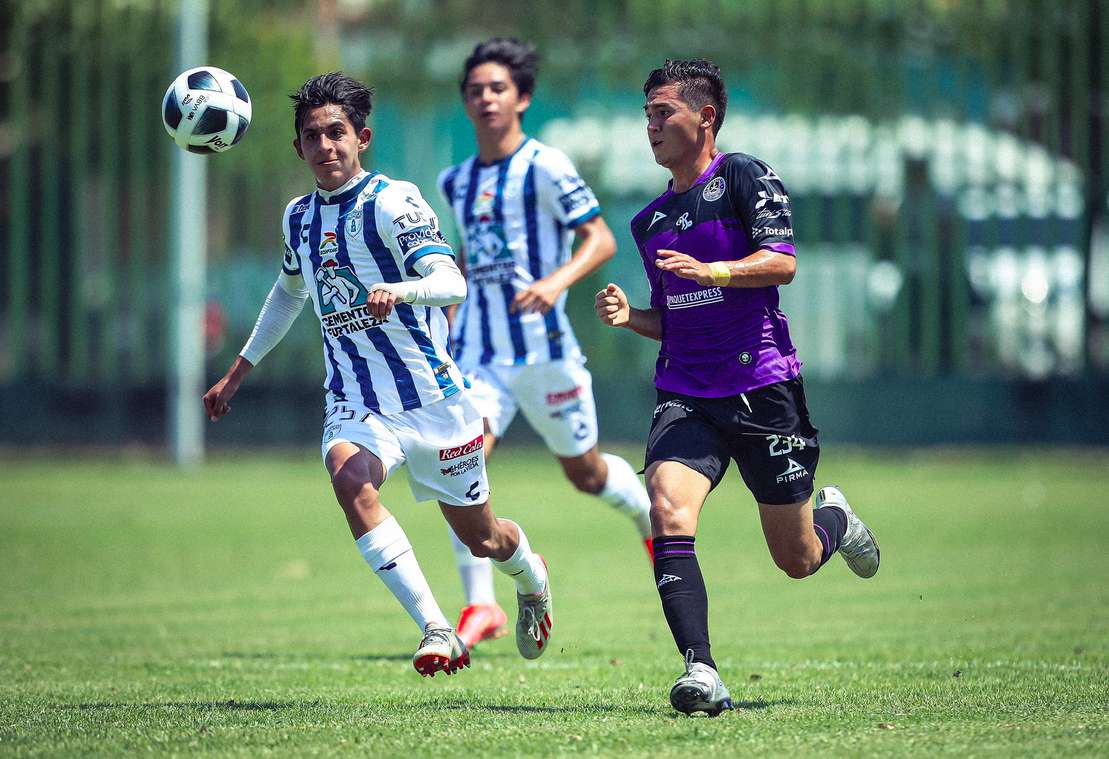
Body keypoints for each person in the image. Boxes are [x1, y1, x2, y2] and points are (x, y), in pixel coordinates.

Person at [203, 72, 555, 678]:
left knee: (483, 539)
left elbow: (453, 283)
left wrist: (403, 289)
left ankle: (532, 580)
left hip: (433, 398)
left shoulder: (393, 201)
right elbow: (289, 294)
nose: (325, 145)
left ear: (361, 137)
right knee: (350, 480)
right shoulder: (298, 218)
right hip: (355, 399)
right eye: (312, 136)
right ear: (299, 148)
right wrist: (238, 371)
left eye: (336, 132)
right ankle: (436, 628)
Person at [594, 59, 880, 716]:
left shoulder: (745, 176)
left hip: (762, 389)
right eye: (646, 115)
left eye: (663, 112)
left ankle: (835, 517)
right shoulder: (649, 223)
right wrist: (631, 318)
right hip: (686, 392)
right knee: (666, 508)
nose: (651, 126)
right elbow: (673, 315)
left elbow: (781, 263)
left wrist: (714, 268)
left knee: (797, 557)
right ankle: (701, 670)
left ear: (705, 118)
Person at [436, 38, 653, 651]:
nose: (485, 98)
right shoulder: (455, 181)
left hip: (546, 351)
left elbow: (601, 238)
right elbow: (463, 261)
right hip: (477, 352)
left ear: (522, 98)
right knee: (460, 459)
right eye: (475, 89)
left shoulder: (546, 166)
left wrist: (554, 282)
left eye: (497, 88)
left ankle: (645, 515)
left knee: (584, 474)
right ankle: (481, 604)